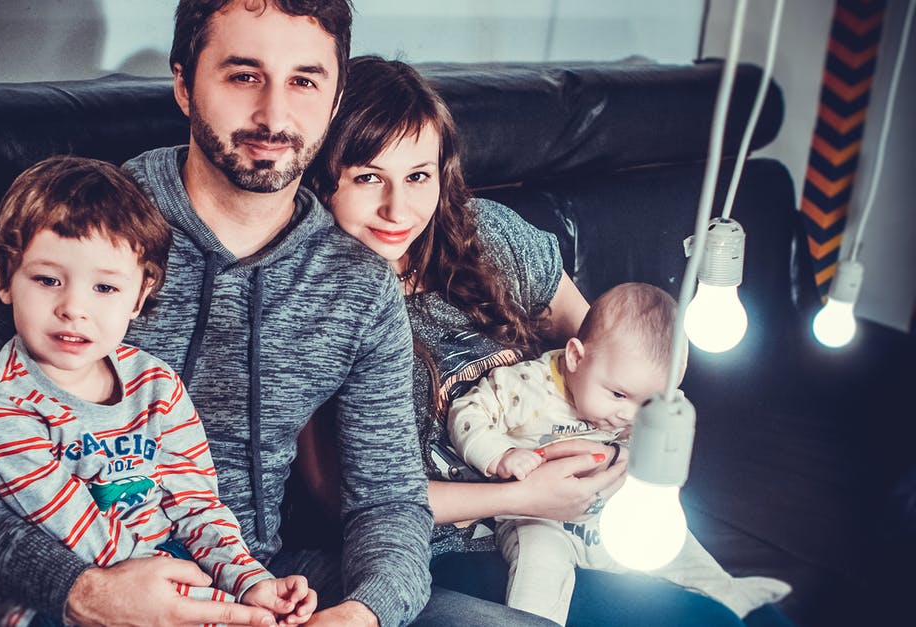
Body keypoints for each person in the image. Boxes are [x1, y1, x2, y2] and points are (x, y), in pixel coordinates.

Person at [0, 3, 552, 627]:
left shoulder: (357, 282)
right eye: (242, 75)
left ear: (336, 96)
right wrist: (80, 586)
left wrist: (363, 614)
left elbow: (389, 501)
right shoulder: (83, 228)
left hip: (261, 580)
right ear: (183, 83)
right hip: (89, 584)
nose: (274, 115)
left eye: (305, 81)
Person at [299, 55, 796, 626]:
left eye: (418, 176)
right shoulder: (320, 304)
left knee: (757, 618)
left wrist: (625, 449)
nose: (398, 209)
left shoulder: (490, 236)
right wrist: (521, 499)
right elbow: (339, 497)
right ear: (323, 178)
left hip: (586, 506)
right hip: (452, 548)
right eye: (367, 177)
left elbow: (615, 353)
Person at [0, 155, 316, 626]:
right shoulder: (0, 411)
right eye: (47, 280)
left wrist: (248, 580)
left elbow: (196, 503)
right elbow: (82, 539)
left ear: (140, 296)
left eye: (104, 288)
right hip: (76, 598)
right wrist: (210, 609)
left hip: (171, 564)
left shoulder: (155, 384)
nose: (74, 309)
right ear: (4, 278)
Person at [448, 282, 791, 625]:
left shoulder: (632, 403)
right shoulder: (528, 385)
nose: (629, 414)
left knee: (678, 544)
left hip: (610, 515)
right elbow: (467, 413)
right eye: (617, 394)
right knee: (540, 566)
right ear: (575, 357)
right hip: (538, 516)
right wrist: (501, 453)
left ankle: (730, 594)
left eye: (647, 403)